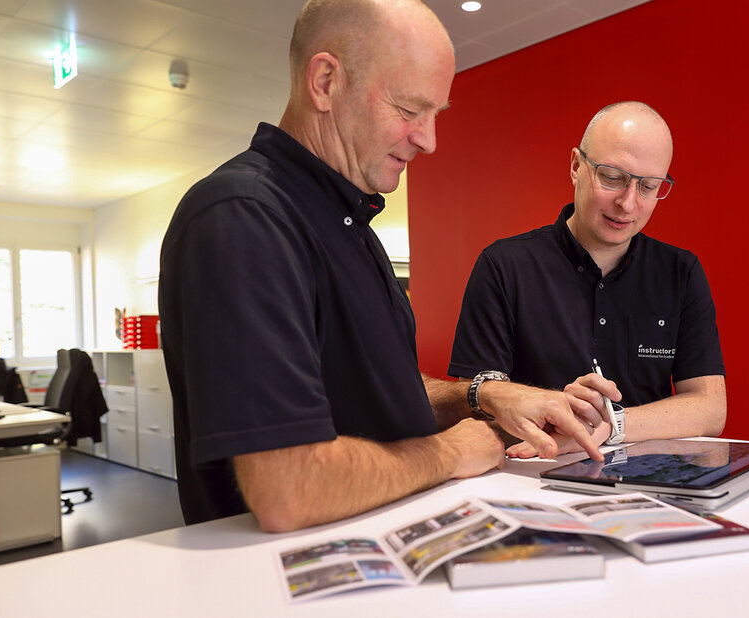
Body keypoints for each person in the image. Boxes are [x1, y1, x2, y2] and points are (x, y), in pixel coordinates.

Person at [158, 0, 601, 532]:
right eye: (409, 110)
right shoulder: (243, 217)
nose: (429, 140)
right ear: (324, 81)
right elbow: (288, 487)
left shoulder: (351, 226)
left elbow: (376, 389)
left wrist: (482, 396)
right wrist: (450, 452)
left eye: (436, 114)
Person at [449, 101, 727, 458]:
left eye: (649, 186)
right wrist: (555, 415)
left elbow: (710, 408)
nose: (628, 203)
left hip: (651, 479)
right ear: (576, 166)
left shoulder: (681, 272)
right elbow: (476, 404)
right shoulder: (504, 265)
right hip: (534, 472)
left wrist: (612, 425)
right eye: (613, 177)